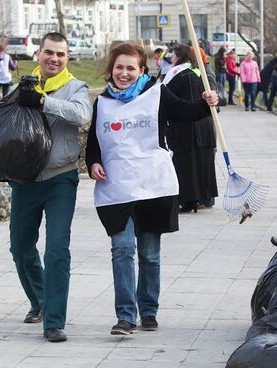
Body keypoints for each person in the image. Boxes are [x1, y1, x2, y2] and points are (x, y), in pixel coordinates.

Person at [85, 42, 218, 336]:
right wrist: (93, 163)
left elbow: (188, 112)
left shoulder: (156, 94)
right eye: (119, 67)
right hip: (116, 188)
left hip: (152, 185)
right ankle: (125, 316)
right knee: (121, 250)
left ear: (141, 70)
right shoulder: (103, 102)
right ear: (111, 70)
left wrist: (208, 101)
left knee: (149, 254)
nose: (124, 73)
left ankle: (148, 310)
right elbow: (93, 144)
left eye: (130, 68)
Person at [8, 32, 92, 343]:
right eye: (48, 53)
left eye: (60, 54)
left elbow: (82, 115)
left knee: (57, 250)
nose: (53, 59)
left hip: (61, 178)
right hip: (25, 180)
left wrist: (44, 102)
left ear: (67, 58)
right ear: (39, 54)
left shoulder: (75, 88)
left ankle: (54, 321)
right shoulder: (26, 84)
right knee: (20, 247)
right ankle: (40, 300)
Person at [164, 44, 219, 212]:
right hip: (205, 126)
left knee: (186, 165)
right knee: (204, 163)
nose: (171, 59)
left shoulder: (177, 75)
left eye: (173, 56)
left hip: (186, 127)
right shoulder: (203, 74)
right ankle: (205, 198)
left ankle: (188, 200)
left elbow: (165, 98)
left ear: (181, 57)